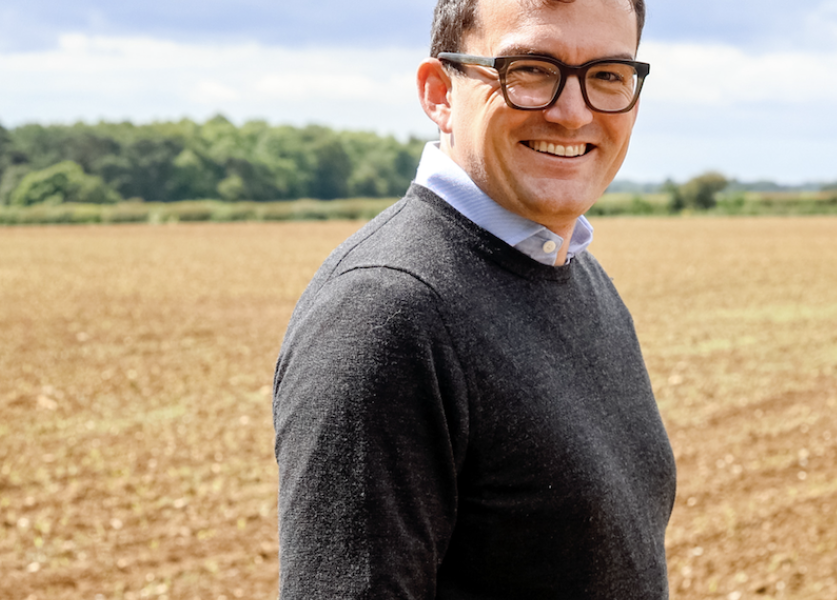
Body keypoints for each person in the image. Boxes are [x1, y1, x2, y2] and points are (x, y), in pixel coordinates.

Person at [270, 0, 672, 597]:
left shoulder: (577, 273)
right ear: (438, 93)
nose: (572, 112)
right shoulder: (385, 313)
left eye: (608, 76)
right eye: (530, 69)